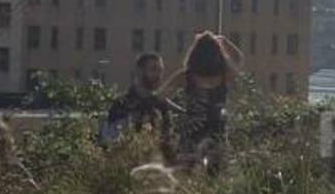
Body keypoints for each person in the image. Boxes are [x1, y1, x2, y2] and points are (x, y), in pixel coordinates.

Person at [161, 31, 243, 167]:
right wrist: (224, 41)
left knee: (187, 170)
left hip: (192, 129)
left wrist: (179, 110)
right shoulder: (224, 76)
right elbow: (239, 58)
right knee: (215, 172)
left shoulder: (187, 77)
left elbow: (161, 96)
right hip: (217, 129)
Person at [101, 52, 178, 160]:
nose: (158, 75)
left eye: (160, 70)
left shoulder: (161, 105)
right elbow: (109, 139)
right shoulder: (122, 103)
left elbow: (168, 138)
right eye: (153, 69)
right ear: (139, 71)